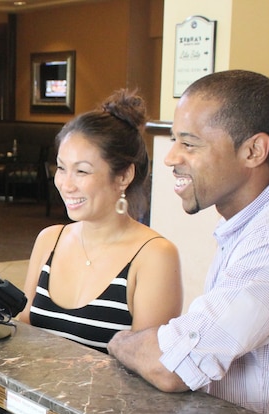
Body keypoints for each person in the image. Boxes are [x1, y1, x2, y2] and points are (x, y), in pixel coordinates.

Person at [107, 70, 269, 414]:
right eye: (174, 140)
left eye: (189, 144)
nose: (171, 157)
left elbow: (172, 365)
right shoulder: (261, 221)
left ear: (253, 151)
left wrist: (119, 342)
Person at [18, 90, 182, 352]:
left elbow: (147, 361)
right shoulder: (49, 239)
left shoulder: (154, 256)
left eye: (82, 171)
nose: (66, 184)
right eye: (61, 168)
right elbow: (24, 329)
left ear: (124, 176)